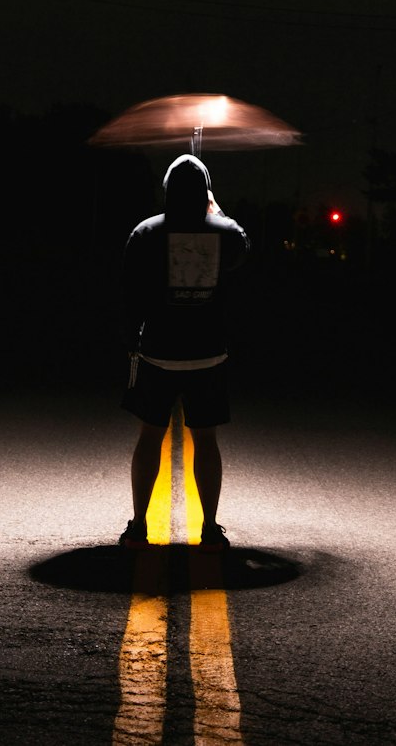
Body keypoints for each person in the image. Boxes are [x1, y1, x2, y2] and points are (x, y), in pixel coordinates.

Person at [118, 153, 250, 551]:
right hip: (209, 353)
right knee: (205, 440)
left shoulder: (145, 232)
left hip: (158, 352)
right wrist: (216, 208)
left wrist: (131, 341)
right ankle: (209, 529)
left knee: (150, 437)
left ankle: (139, 527)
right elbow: (244, 248)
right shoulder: (224, 231)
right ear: (205, 190)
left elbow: (128, 293)